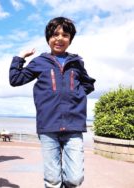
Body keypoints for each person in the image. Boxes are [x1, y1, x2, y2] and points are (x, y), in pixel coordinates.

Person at [9, 17, 96, 188]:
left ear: (70, 39)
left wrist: (76, 96)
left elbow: (88, 84)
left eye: (65, 34)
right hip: (48, 126)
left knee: (75, 179)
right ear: (48, 38)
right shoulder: (40, 62)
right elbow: (15, 79)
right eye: (55, 34)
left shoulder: (77, 62)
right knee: (53, 180)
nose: (59, 38)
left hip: (74, 126)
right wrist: (20, 58)